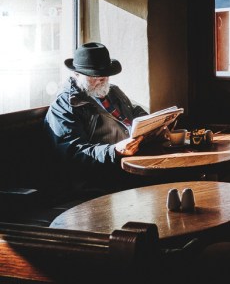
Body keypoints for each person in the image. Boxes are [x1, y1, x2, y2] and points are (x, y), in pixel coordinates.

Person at [44, 42, 157, 195]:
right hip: (100, 178)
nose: (102, 80)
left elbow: (134, 112)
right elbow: (73, 153)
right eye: (95, 76)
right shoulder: (64, 105)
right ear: (77, 74)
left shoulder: (113, 91)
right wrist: (114, 151)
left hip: (130, 164)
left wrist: (154, 124)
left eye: (105, 75)